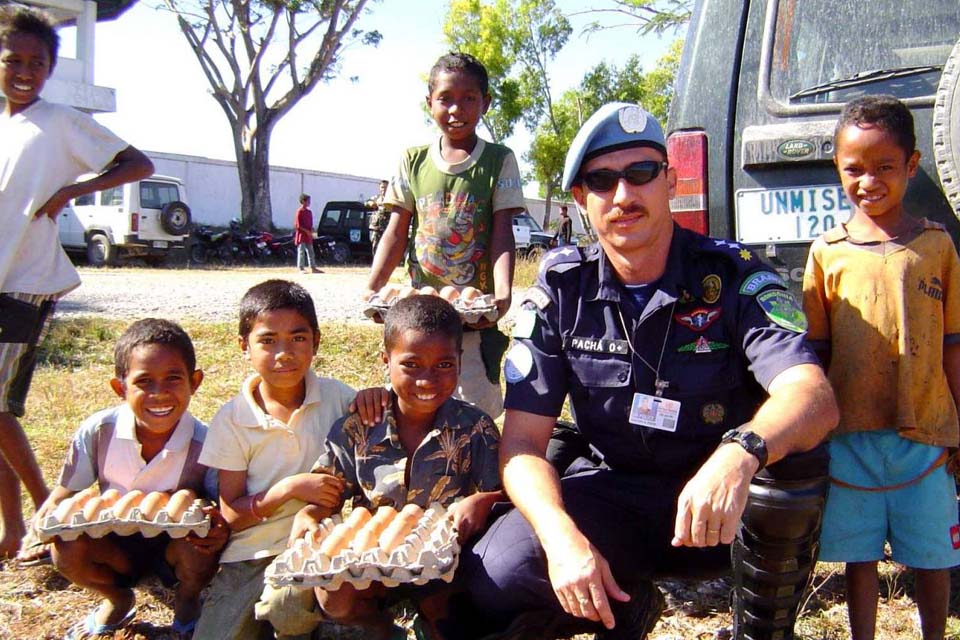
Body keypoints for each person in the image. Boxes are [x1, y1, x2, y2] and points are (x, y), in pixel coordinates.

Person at [453, 103, 839, 640]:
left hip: (723, 499)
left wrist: (740, 452)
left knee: (796, 460)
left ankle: (763, 630)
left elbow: (812, 395)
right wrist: (563, 538)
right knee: (497, 574)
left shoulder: (731, 276)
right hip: (616, 490)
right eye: (602, 181)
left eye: (641, 175)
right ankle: (626, 602)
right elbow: (521, 442)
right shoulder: (563, 291)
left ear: (670, 182)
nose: (624, 196)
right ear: (581, 199)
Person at [802, 95, 960, 640]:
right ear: (838, 170)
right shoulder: (827, 253)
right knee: (859, 556)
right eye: (854, 169)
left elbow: (954, 345)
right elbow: (813, 354)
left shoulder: (936, 247)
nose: (868, 181)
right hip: (850, 436)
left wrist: (958, 430)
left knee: (934, 555)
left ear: (912, 166)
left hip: (925, 434)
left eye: (884, 167)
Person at [0, 5, 154, 563]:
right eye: (13, 59)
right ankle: (14, 527)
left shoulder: (61, 121)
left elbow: (138, 163)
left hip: (25, 283)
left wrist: (71, 193)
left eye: (37, 62)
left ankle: (48, 516)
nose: (23, 70)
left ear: (50, 69)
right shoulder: (4, 123)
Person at [268, 295, 503, 640]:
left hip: (442, 564)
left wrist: (484, 501)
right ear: (385, 360)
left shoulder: (475, 428)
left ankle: (431, 620)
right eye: (411, 365)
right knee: (334, 595)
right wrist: (310, 515)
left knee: (449, 614)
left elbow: (501, 493)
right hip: (372, 563)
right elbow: (329, 490)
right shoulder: (359, 427)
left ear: (459, 362)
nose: (427, 379)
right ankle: (379, 627)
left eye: (444, 365)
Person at [193, 279, 383, 640]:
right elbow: (231, 515)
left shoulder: (339, 398)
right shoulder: (231, 419)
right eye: (267, 340)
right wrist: (288, 489)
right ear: (243, 347)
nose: (284, 353)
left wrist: (375, 395)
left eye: (298, 338)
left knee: (287, 610)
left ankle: (317, 625)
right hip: (250, 552)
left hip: (319, 542)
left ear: (316, 342)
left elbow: (374, 439)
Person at [31, 319, 227, 639]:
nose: (159, 393)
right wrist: (42, 525)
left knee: (199, 542)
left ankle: (188, 599)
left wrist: (216, 527)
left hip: (173, 551)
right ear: (120, 388)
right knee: (64, 550)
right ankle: (118, 598)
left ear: (195, 382)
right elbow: (65, 493)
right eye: (144, 381)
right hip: (113, 546)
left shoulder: (207, 444)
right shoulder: (99, 432)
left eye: (173, 378)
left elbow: (222, 509)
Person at [364, 52, 525, 420]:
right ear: (429, 103)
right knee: (418, 402)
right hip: (421, 317)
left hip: (472, 320)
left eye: (469, 98)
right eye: (446, 98)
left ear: (486, 103)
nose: (457, 109)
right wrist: (374, 288)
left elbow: (502, 234)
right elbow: (397, 230)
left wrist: (501, 296)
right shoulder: (413, 160)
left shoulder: (498, 160)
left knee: (472, 409)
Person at [293, 193, 320, 274]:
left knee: (311, 251)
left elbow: (310, 223)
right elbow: (298, 225)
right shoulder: (299, 212)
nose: (309, 202)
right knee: (301, 251)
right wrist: (306, 231)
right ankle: (301, 268)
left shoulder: (309, 212)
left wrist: (311, 230)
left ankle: (313, 267)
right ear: (303, 201)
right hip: (302, 235)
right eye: (308, 201)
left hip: (308, 236)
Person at [367, 179, 390, 255]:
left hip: (387, 227)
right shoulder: (376, 198)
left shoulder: (392, 199)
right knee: (375, 245)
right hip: (376, 227)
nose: (384, 189)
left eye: (386, 187)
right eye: (382, 187)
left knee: (387, 247)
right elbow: (366, 202)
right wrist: (371, 203)